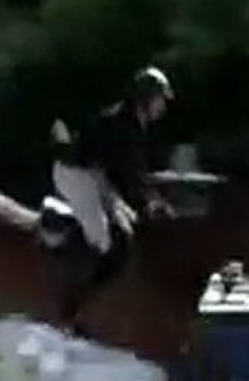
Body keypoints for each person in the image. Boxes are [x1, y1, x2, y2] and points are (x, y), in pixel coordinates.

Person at [51, 65, 177, 325]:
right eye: (159, 100)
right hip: (76, 173)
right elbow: (128, 176)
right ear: (145, 98)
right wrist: (150, 203)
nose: (162, 106)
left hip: (96, 174)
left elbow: (134, 174)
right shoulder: (124, 125)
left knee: (127, 227)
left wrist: (153, 201)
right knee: (105, 239)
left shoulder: (133, 122)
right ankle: (73, 306)